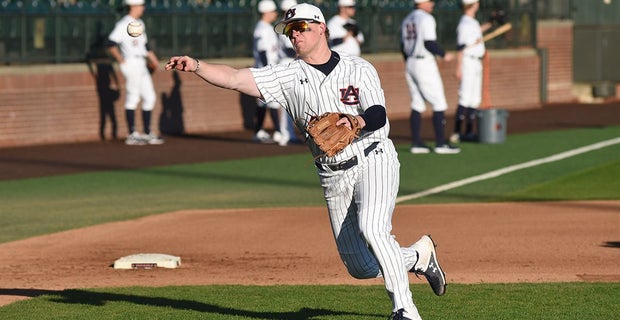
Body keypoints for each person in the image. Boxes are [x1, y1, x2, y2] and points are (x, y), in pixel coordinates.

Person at [165, 3, 446, 320]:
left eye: (301, 28)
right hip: (332, 174)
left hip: (373, 157)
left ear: (322, 28)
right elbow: (233, 77)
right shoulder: (285, 75)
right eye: (290, 30)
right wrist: (198, 66)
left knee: (373, 227)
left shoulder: (359, 68)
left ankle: (405, 310)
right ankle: (417, 257)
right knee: (361, 267)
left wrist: (357, 122)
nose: (294, 34)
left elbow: (379, 115)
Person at [401, 0, 460, 154]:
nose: (432, 4)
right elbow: (429, 43)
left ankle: (416, 143)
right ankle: (441, 144)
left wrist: (409, 63)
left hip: (410, 62)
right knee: (439, 102)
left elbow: (402, 46)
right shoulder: (426, 18)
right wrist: (444, 54)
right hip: (424, 62)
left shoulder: (407, 18)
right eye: (430, 1)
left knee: (417, 103)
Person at [107, 0, 164, 145]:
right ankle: (132, 134)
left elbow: (145, 45)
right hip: (130, 62)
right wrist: (121, 60)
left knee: (150, 97)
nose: (143, 8)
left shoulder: (140, 23)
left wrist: (154, 59)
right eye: (141, 5)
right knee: (133, 97)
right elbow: (110, 43)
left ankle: (147, 132)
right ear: (133, 6)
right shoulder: (123, 24)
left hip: (141, 62)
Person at [450, 0, 494, 143]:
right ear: (473, 4)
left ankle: (468, 132)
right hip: (468, 62)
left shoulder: (472, 22)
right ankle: (456, 132)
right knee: (465, 97)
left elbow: (476, 33)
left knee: (475, 99)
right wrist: (458, 68)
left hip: (477, 62)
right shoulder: (464, 23)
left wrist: (491, 23)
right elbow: (461, 47)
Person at [251, 0, 285, 144]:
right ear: (265, 12)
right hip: (266, 70)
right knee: (272, 102)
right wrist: (267, 72)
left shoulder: (266, 28)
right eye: (273, 11)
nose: (275, 14)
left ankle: (259, 131)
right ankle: (278, 132)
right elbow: (262, 51)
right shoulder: (262, 29)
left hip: (267, 69)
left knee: (264, 103)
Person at [275, 0, 302, 145]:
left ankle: (288, 133)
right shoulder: (285, 25)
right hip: (286, 63)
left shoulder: (287, 24)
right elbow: (288, 49)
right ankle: (285, 134)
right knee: (286, 102)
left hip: (289, 63)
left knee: (291, 102)